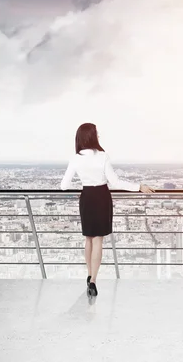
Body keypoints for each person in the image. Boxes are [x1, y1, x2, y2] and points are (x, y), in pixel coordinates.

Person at [60, 123, 154, 296]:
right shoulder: (102, 156)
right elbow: (115, 182)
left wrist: (83, 183)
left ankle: (89, 276)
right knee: (98, 241)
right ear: (93, 136)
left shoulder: (76, 158)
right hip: (102, 197)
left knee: (88, 239)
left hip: (87, 197)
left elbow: (64, 185)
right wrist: (138, 186)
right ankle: (94, 280)